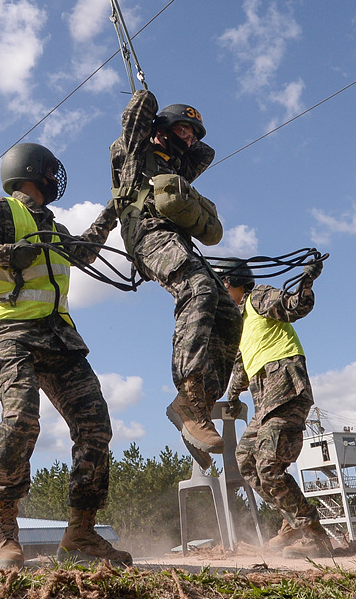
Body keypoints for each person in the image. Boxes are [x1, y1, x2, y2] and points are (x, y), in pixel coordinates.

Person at [0, 142, 130, 569]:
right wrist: (4, 253)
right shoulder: (2, 211)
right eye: (50, 171)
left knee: (95, 425)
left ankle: (80, 532)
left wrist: (112, 211)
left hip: (59, 338)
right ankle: (3, 528)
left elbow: (83, 253)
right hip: (11, 332)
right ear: (34, 171)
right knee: (22, 415)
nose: (54, 178)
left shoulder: (52, 226)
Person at [109, 89, 241, 468]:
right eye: (182, 129)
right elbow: (136, 114)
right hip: (147, 234)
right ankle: (191, 398)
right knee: (197, 287)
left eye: (193, 133)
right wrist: (146, 94)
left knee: (230, 316)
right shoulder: (133, 152)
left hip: (177, 241)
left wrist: (185, 133)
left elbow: (206, 153)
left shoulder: (176, 166)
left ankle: (195, 405)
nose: (189, 139)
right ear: (161, 128)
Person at [220, 257, 331, 559]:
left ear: (233, 283)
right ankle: (292, 522)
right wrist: (232, 396)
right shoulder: (241, 322)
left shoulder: (257, 297)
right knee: (245, 459)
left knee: (268, 466)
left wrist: (307, 280)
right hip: (265, 396)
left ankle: (315, 536)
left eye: (223, 285)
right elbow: (242, 366)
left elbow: (297, 306)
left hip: (285, 386)